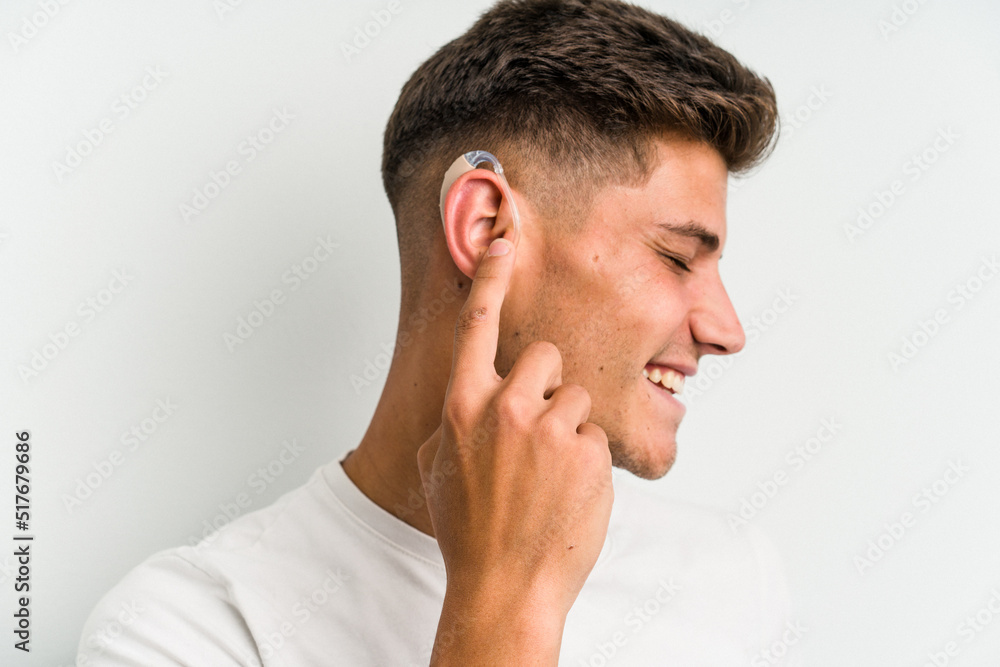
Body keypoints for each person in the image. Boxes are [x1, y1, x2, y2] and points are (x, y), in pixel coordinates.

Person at [78, 0, 797, 664]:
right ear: (485, 229)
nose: (727, 330)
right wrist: (507, 596)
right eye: (676, 257)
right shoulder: (184, 629)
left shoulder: (732, 581)